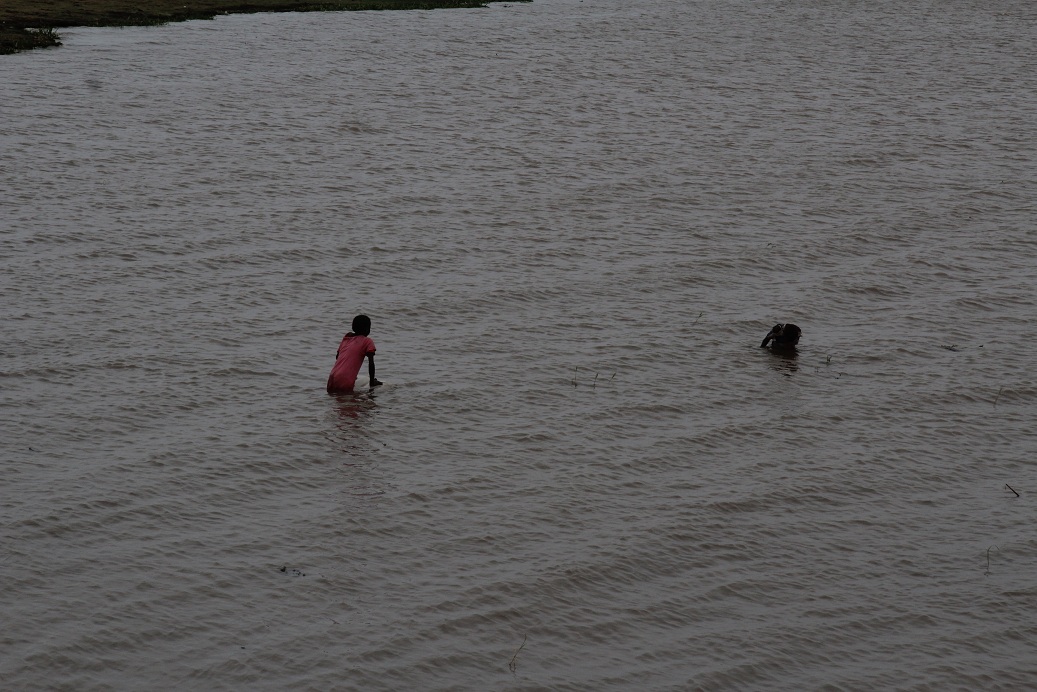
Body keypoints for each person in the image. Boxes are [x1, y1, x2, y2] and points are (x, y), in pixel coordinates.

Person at [327, 314, 382, 393]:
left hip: (332, 378)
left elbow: (338, 357)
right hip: (345, 380)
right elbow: (371, 364)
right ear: (367, 329)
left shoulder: (346, 338)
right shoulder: (367, 341)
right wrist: (372, 382)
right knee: (350, 404)